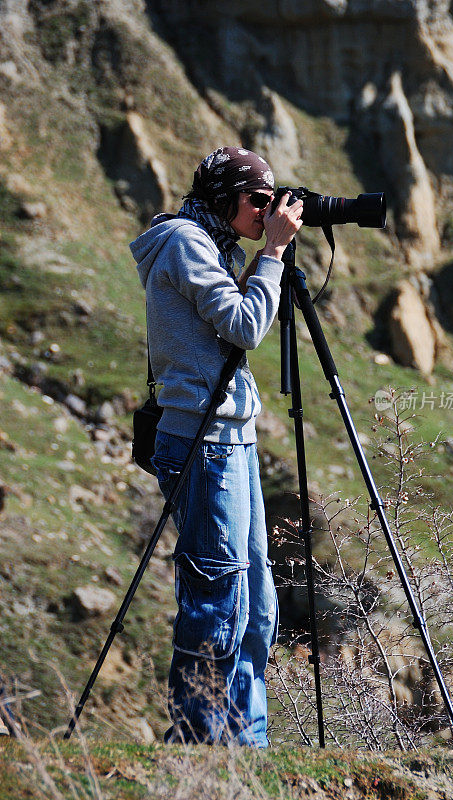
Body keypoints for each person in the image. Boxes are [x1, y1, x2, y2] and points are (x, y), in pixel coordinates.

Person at [130, 146, 303, 747]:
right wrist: (274, 254)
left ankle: (245, 745)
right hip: (203, 443)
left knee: (256, 601)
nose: (267, 210)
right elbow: (245, 326)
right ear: (224, 198)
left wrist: (265, 255)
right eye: (258, 200)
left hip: (235, 439)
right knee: (217, 598)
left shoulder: (219, 248)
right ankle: (200, 743)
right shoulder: (184, 243)